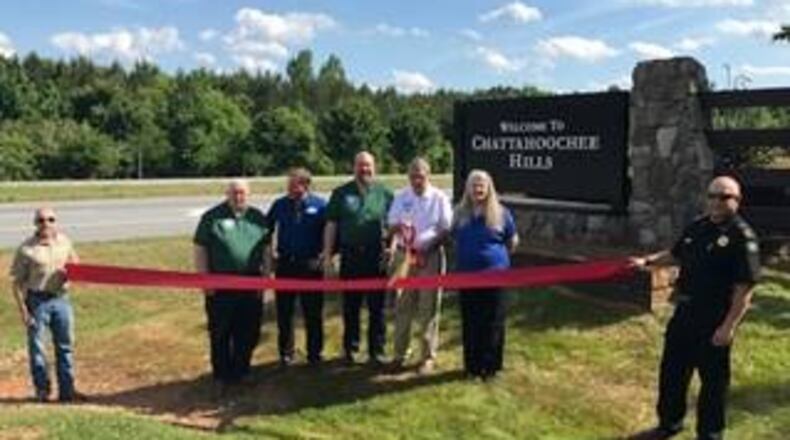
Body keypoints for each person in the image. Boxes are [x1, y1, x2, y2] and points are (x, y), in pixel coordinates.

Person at [629, 176, 761, 440]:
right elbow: (675, 254)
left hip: (714, 318)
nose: (716, 202)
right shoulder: (697, 227)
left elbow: (744, 289)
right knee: (672, 372)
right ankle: (669, 424)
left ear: (737, 200)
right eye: (712, 196)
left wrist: (728, 327)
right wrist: (647, 261)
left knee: (713, 383)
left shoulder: (742, 237)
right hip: (685, 312)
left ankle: (710, 434)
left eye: (724, 197)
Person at [193, 179, 269, 388]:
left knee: (248, 330)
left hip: (251, 283)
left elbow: (266, 250)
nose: (238, 196)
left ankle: (242, 370)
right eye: (234, 193)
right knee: (221, 331)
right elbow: (200, 249)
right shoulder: (212, 217)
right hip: (220, 284)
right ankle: (221, 375)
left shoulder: (257, 217)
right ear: (227, 194)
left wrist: (265, 279)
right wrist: (204, 279)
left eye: (242, 193)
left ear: (249, 194)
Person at [323, 151, 394, 366]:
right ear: (353, 168)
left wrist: (392, 248)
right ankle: (350, 350)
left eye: (368, 165)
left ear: (375, 167)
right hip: (350, 255)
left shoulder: (385, 193)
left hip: (376, 256)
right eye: (360, 165)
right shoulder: (341, 193)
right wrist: (328, 255)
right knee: (351, 306)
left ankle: (376, 350)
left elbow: (395, 225)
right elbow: (331, 225)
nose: (364, 169)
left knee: (377, 308)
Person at [9, 207, 83, 402]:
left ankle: (67, 391)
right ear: (35, 223)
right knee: (38, 349)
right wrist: (24, 311)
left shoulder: (64, 242)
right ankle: (42, 391)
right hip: (37, 301)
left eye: (50, 219)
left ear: (55, 221)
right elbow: (16, 283)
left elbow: (77, 265)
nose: (46, 224)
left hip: (61, 300)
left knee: (65, 346)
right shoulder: (26, 249)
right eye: (41, 220)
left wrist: (70, 273)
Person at [451, 170, 519, 381]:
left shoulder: (502, 213)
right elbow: (454, 239)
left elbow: (512, 241)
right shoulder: (459, 213)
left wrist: (496, 260)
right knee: (471, 321)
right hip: (467, 277)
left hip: (496, 278)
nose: (478, 189)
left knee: (494, 322)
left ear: (489, 188)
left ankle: (491, 368)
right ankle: (472, 367)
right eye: (474, 185)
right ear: (468, 189)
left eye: (482, 185)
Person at [387, 157, 452, 374]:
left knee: (428, 308)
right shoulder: (401, 197)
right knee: (402, 306)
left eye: (420, 176)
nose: (416, 180)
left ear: (428, 175)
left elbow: (446, 229)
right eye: (413, 176)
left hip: (430, 257)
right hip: (404, 257)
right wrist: (400, 227)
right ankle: (399, 354)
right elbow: (390, 225)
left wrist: (426, 249)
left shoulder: (439, 198)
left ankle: (427, 357)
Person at [267, 168, 327, 367]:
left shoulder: (320, 205)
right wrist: (271, 254)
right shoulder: (280, 204)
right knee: (284, 312)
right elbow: (266, 230)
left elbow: (331, 233)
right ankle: (286, 353)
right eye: (289, 185)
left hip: (311, 266)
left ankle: (314, 353)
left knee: (313, 312)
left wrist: (324, 255)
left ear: (306, 185)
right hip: (286, 265)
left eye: (294, 185)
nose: (290, 189)